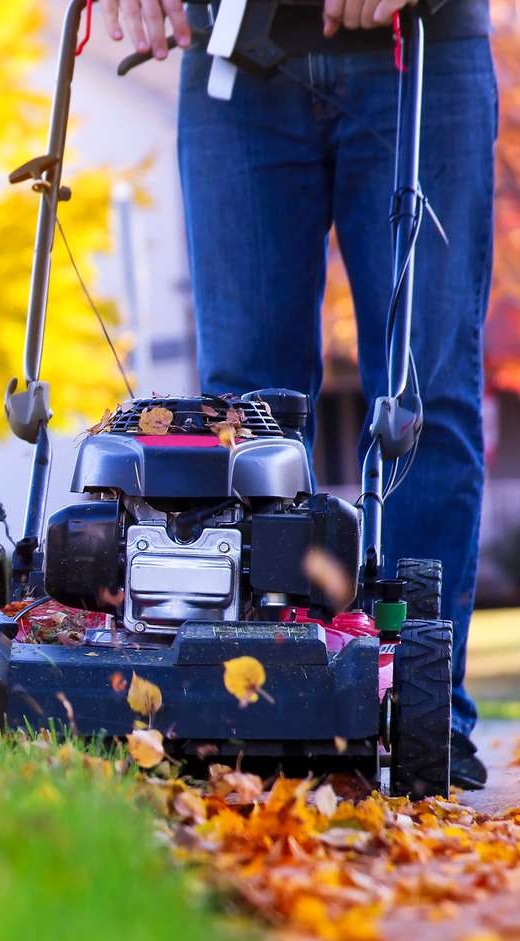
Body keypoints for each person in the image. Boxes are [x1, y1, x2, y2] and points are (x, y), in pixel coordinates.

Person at [101, 0, 495, 787]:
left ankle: (421, 705)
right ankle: (257, 704)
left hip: (417, 53)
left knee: (420, 396)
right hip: (236, 67)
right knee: (246, 413)